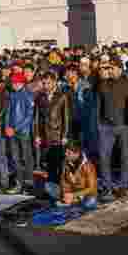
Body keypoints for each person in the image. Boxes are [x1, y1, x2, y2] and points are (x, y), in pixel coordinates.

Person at [94, 59, 128, 202]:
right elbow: (99, 103)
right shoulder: (103, 83)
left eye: (113, 68)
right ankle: (107, 187)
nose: (110, 71)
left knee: (125, 157)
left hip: (123, 125)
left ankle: (123, 186)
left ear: (120, 69)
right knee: (104, 158)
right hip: (106, 126)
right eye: (109, 68)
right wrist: (98, 123)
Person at [36, 70, 72, 198]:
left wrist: (65, 135)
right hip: (45, 135)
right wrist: (37, 135)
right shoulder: (40, 97)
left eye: (48, 83)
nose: (46, 86)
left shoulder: (62, 96)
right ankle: (51, 190)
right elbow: (37, 118)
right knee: (48, 165)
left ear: (54, 83)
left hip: (57, 135)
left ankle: (60, 190)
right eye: (44, 83)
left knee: (59, 165)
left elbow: (66, 118)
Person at [4, 71, 36, 195]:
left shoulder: (28, 95)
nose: (13, 85)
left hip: (23, 131)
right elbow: (8, 112)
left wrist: (15, 128)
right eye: (12, 83)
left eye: (15, 82)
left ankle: (29, 183)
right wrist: (7, 126)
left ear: (21, 83)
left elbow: (29, 116)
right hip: (12, 131)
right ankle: (19, 182)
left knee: (26, 158)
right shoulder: (12, 95)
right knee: (15, 157)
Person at [53, 140, 99, 209]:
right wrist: (65, 194)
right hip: (72, 190)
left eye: (69, 153)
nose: (66, 154)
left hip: (84, 194)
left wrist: (74, 195)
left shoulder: (87, 166)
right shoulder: (65, 162)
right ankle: (71, 201)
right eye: (65, 152)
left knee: (90, 203)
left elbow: (91, 188)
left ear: (76, 154)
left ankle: (75, 201)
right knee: (49, 187)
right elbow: (63, 181)